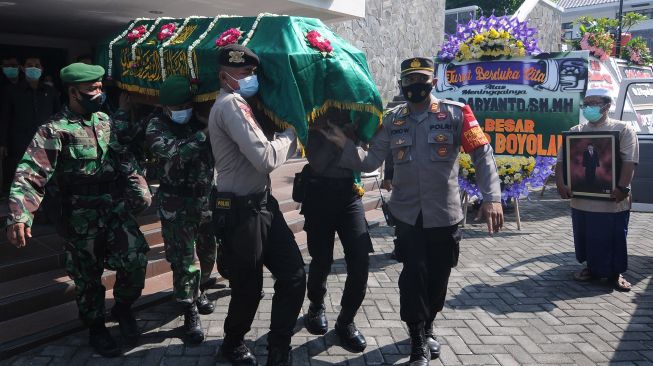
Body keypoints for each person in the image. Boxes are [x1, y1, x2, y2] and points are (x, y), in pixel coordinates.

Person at [320, 57, 504, 366]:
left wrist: (492, 198)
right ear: (401, 85)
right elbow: (370, 162)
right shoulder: (393, 120)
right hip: (408, 215)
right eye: (409, 81)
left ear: (433, 82)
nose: (414, 86)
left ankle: (429, 322)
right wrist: (343, 145)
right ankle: (417, 338)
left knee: (439, 277)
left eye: (421, 79)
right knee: (413, 275)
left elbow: (483, 154)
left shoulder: (457, 114)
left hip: (445, 214)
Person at [5, 62, 152, 357]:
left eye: (99, 88)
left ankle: (122, 309)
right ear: (72, 92)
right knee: (88, 278)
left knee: (135, 260)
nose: (98, 94)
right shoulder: (54, 129)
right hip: (80, 215)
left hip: (114, 208)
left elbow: (130, 150)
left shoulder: (106, 120)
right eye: (91, 90)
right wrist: (20, 213)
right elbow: (31, 172)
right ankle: (96, 326)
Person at [209, 44, 306, 366]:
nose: (250, 78)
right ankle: (232, 343)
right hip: (240, 211)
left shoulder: (245, 104)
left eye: (252, 73)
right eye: (243, 73)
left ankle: (279, 347)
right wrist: (292, 134)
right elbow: (265, 158)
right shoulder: (231, 104)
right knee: (248, 288)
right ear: (225, 77)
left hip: (263, 205)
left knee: (293, 275)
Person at [146, 75, 217, 344]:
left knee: (208, 253)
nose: (183, 111)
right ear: (166, 108)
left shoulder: (197, 119)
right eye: (178, 107)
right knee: (184, 260)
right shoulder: (156, 126)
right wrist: (205, 133)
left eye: (187, 104)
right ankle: (188, 309)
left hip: (205, 200)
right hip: (175, 204)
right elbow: (174, 153)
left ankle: (199, 291)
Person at [301, 108, 371, 353]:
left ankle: (346, 320)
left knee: (360, 260)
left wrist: (346, 140)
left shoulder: (357, 117)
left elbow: (365, 161)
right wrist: (341, 142)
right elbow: (317, 162)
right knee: (321, 259)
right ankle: (316, 305)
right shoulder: (313, 117)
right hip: (319, 193)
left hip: (349, 196)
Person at [556, 87, 639, 292]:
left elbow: (629, 162)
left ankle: (615, 273)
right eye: (586, 104)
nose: (588, 108)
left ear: (607, 106)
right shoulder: (576, 132)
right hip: (582, 197)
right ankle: (591, 268)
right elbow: (561, 161)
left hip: (612, 199)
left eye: (593, 104)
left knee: (613, 236)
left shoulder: (623, 130)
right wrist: (560, 183)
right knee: (586, 235)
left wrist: (622, 187)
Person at [1, 57, 60, 195]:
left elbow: (57, 117)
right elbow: (4, 118)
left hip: (46, 143)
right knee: (19, 181)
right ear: (23, 68)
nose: (33, 68)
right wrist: (2, 142)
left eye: (37, 65)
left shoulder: (50, 91)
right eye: (29, 65)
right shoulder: (11, 91)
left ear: (42, 69)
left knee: (45, 180)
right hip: (19, 143)